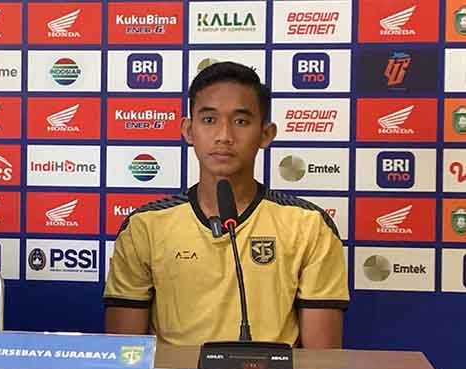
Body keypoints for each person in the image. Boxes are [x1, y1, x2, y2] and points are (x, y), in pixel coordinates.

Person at [104, 62, 349, 348]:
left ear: (266, 134)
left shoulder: (309, 225)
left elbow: (322, 362)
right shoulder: (144, 227)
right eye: (209, 120)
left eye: (241, 121)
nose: (224, 136)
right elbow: (125, 356)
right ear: (188, 130)